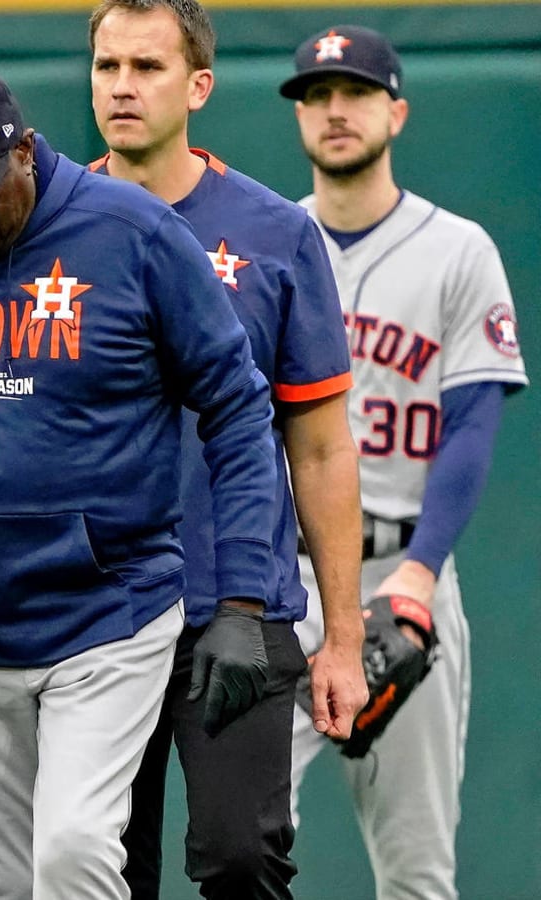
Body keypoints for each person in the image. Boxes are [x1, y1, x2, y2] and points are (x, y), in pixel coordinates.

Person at [0, 67, 281, 899]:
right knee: (4, 885)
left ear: (25, 151)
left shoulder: (133, 232)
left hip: (110, 609)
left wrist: (242, 600)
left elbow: (238, 411)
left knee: (74, 850)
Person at [83, 2, 371, 897]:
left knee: (243, 864)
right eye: (106, 66)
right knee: (97, 867)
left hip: (237, 605)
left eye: (148, 67)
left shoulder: (274, 232)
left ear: (198, 85)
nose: (123, 87)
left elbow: (320, 448)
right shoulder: (51, 224)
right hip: (90, 612)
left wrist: (344, 637)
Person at [278, 25, 527, 898]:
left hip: (401, 576)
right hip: (287, 584)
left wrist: (422, 572)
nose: (335, 110)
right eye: (316, 94)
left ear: (398, 111)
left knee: (418, 875)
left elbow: (471, 424)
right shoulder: (268, 244)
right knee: (249, 850)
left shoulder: (456, 250)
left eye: (354, 92)